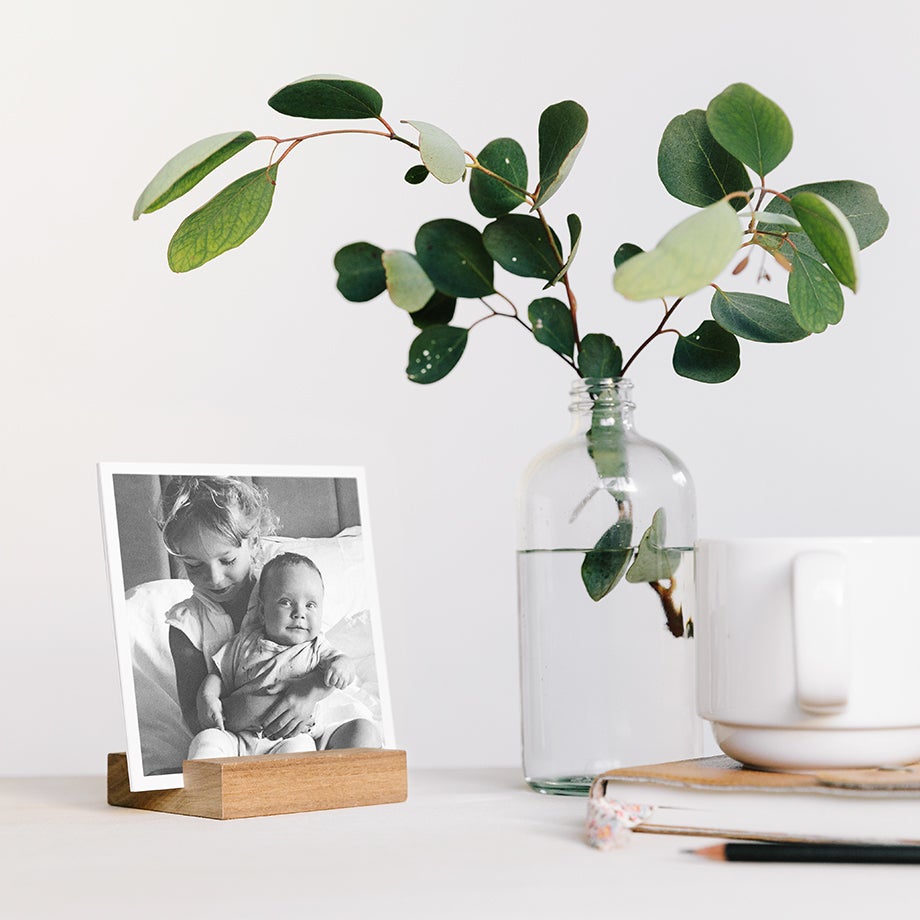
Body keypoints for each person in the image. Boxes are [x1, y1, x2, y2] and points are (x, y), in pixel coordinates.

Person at [188, 552, 380, 758]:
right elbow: (219, 674)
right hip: (239, 738)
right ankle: (208, 787)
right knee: (206, 741)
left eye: (310, 605)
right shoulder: (244, 642)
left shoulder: (315, 647)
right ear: (262, 611)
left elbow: (341, 662)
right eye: (286, 602)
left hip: (292, 736)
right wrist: (207, 696)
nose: (300, 613)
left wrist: (341, 666)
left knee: (299, 754)